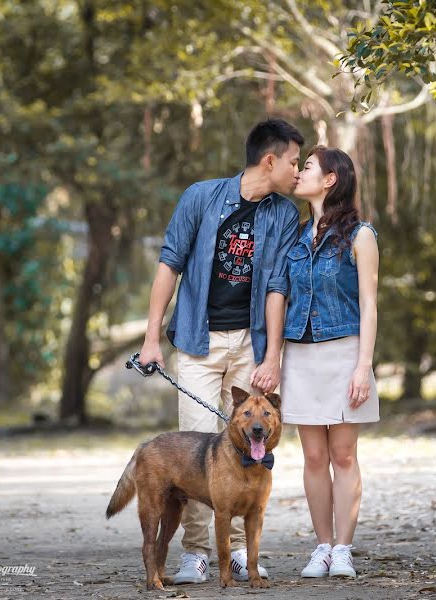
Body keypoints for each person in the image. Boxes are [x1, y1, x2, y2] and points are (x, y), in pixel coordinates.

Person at [137, 118, 303, 585]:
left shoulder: (284, 214)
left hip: (251, 341)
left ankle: (239, 556)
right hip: (197, 341)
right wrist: (152, 338)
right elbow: (170, 264)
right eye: (294, 161)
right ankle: (195, 554)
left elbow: (276, 286)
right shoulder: (201, 197)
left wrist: (271, 357)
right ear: (269, 160)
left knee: (251, 447)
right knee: (194, 447)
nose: (297, 170)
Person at [280, 146, 380, 579]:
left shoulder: (361, 235)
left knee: (342, 455)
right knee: (314, 457)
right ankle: (321, 546)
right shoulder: (296, 237)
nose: (298, 174)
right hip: (299, 353)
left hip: (344, 351)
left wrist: (363, 366)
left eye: (306, 168)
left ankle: (343, 549)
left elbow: (370, 305)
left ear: (330, 179)